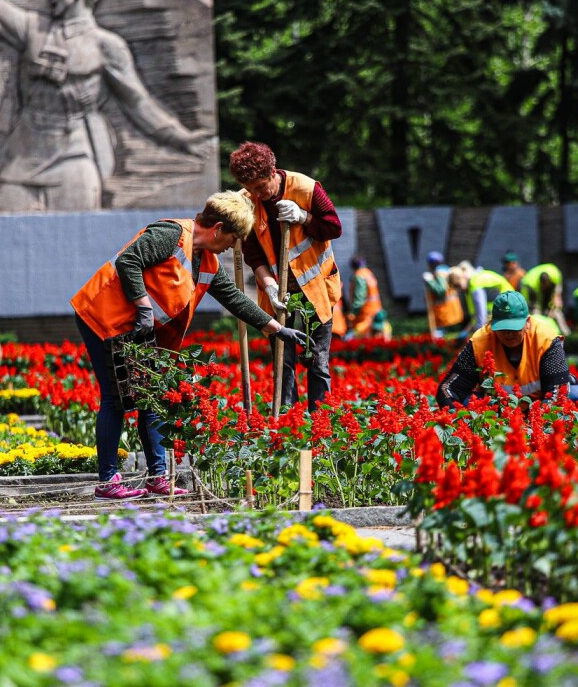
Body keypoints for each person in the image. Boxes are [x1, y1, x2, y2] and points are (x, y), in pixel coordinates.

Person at [0, 0, 209, 212]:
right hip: (20, 155)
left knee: (79, 230)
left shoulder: (107, 45)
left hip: (74, 154)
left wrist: (179, 137)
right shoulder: (33, 29)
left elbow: (137, 101)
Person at [73, 191, 307, 499]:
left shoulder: (207, 263)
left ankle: (158, 477)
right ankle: (107, 482)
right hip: (102, 317)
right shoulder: (171, 234)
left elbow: (235, 299)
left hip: (138, 332)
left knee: (152, 398)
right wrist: (143, 306)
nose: (231, 247)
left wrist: (277, 329)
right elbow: (129, 261)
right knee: (115, 399)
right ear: (218, 228)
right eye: (232, 239)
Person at [229, 141, 343, 412]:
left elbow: (333, 227)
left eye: (260, 186)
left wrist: (304, 217)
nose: (257, 193)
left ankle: (320, 425)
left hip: (316, 288)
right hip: (278, 292)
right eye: (251, 188)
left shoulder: (305, 188)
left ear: (272, 173)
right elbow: (253, 253)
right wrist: (268, 285)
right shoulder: (246, 201)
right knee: (283, 360)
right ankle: (287, 423)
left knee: (318, 359)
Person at [437, 292, 578, 408]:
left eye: (514, 328)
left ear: (527, 323)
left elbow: (557, 393)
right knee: (466, 403)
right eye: (503, 328)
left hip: (540, 404)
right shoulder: (479, 342)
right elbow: (448, 388)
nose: (508, 334)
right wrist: (452, 414)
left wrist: (535, 425)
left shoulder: (546, 340)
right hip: (498, 407)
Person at [446, 262, 515, 339]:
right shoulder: (475, 281)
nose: (459, 289)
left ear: (463, 277)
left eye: (458, 285)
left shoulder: (475, 284)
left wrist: (477, 338)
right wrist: (466, 331)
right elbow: (475, 317)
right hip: (506, 313)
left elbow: (481, 318)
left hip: (509, 313)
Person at [345, 256, 391, 339]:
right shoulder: (368, 273)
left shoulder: (359, 276)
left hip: (365, 315)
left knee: (358, 338)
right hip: (376, 312)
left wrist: (353, 314)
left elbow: (359, 298)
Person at [519, 262, 570, 333]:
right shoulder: (530, 285)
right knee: (536, 314)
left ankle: (566, 333)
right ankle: (537, 333)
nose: (545, 288)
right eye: (543, 286)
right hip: (532, 293)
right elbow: (531, 303)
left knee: (557, 312)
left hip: (550, 284)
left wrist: (556, 301)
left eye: (546, 286)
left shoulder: (555, 275)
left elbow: (557, 296)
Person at [422, 251, 465, 337]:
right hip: (450, 314)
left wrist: (430, 281)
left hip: (445, 315)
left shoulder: (440, 273)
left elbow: (440, 291)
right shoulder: (445, 271)